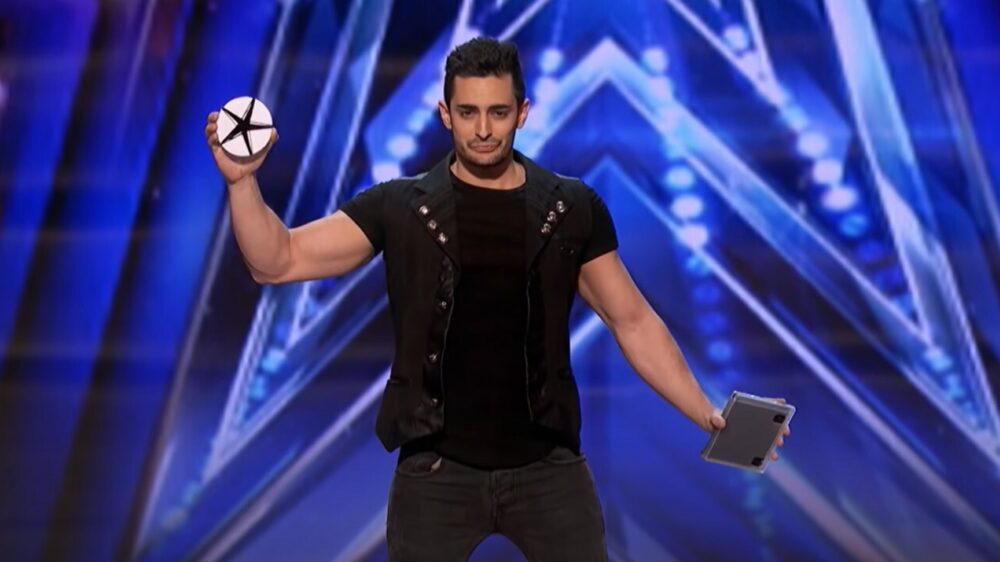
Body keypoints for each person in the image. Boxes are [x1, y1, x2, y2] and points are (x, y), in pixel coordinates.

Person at [204, 37, 789, 562]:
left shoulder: (570, 208)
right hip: (435, 475)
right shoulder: (399, 207)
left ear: (522, 112)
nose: (483, 129)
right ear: (445, 114)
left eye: (498, 112)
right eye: (468, 112)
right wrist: (241, 182)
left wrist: (705, 412)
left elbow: (631, 320)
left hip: (548, 471)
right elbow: (276, 260)